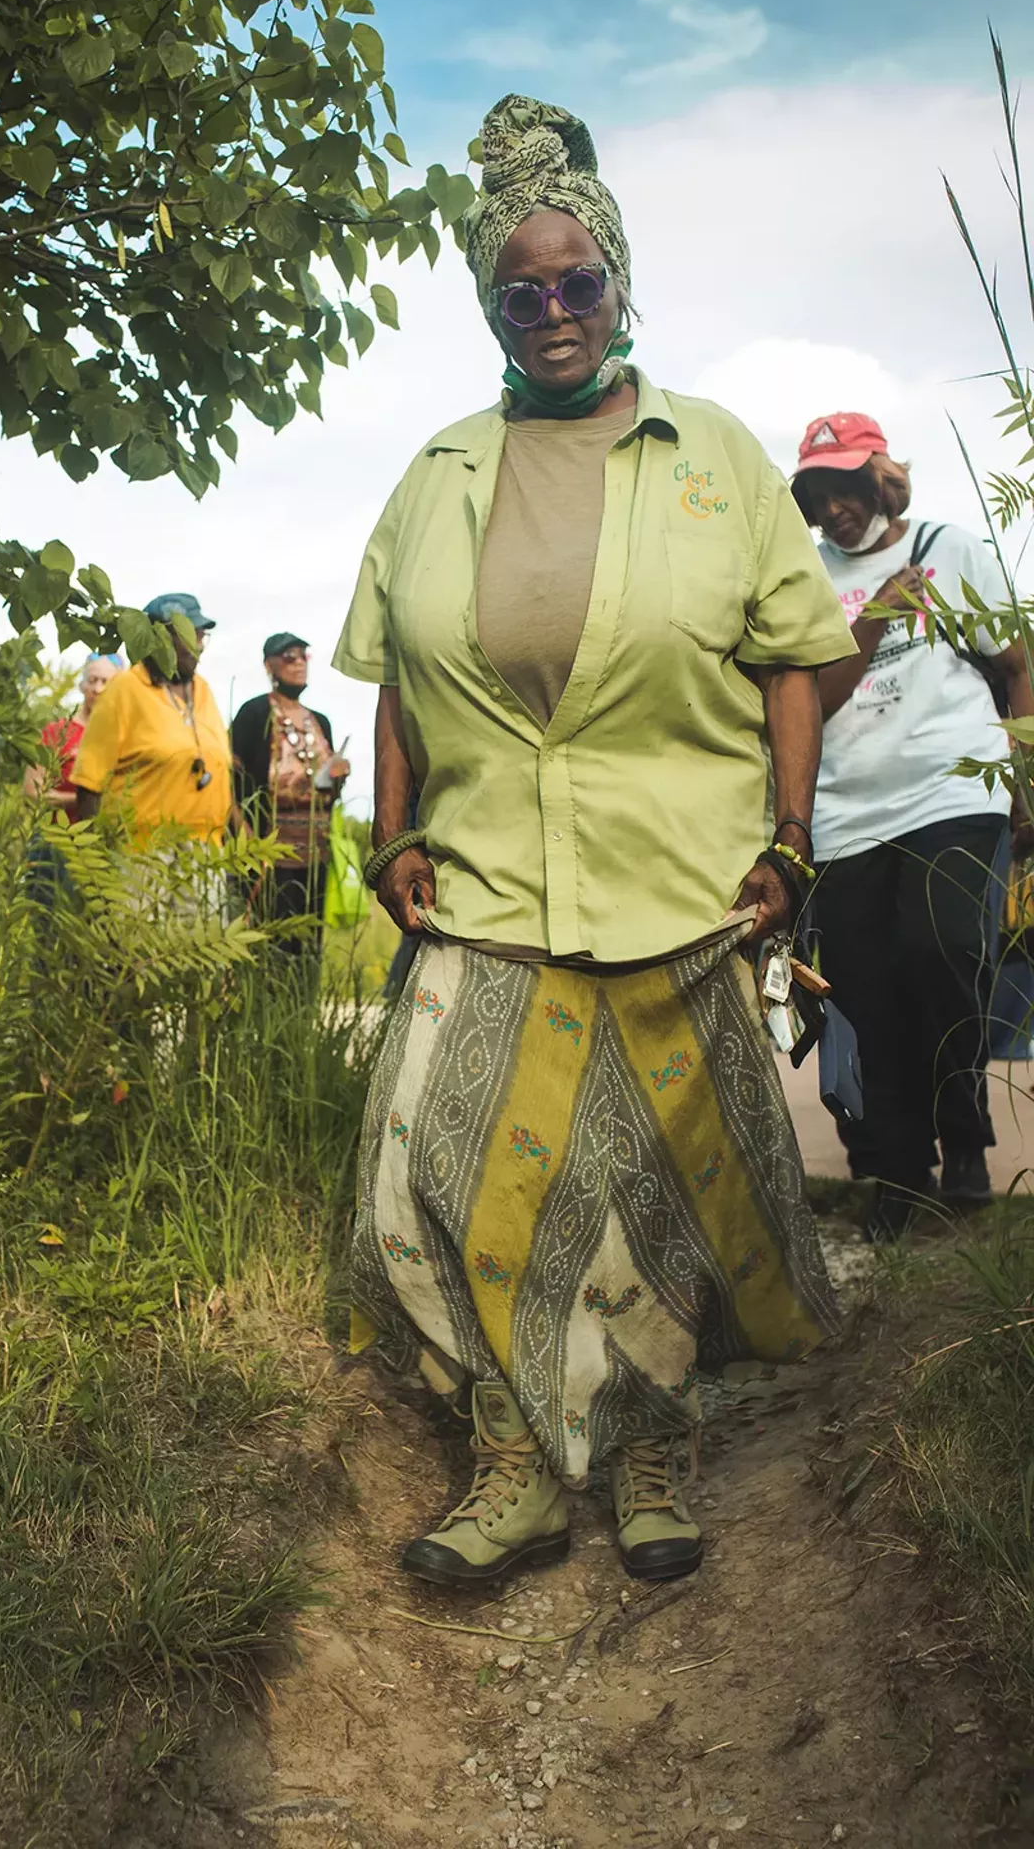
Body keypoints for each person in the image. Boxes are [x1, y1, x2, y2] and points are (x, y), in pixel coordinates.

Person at [333, 94, 856, 1589]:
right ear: (493, 308)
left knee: (661, 1185)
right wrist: (391, 835)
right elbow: (395, 677)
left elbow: (793, 665)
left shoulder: (720, 457)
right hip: (490, 876)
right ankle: (512, 1455)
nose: (554, 310)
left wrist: (792, 838)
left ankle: (651, 1451)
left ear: (619, 286)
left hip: (679, 880)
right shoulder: (438, 472)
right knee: (433, 1166)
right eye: (523, 289)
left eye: (580, 284)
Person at [790, 413, 1034, 1239]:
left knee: (943, 951)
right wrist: (876, 618)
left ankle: (964, 1131)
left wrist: (1023, 785)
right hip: (846, 811)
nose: (835, 508)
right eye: (818, 495)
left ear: (878, 480)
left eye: (847, 486)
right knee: (866, 991)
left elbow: (1015, 667)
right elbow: (811, 705)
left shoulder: (948, 546)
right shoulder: (805, 579)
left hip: (952, 790)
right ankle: (902, 1172)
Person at [71, 593, 239, 854]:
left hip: (206, 851)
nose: (199, 646)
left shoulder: (202, 690)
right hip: (141, 854)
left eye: (201, 636)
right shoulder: (124, 690)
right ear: (159, 639)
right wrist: (93, 866)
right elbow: (89, 785)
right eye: (189, 635)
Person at [230, 632, 351, 950]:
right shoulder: (254, 714)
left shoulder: (319, 722)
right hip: (269, 853)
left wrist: (337, 778)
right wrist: (248, 844)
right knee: (267, 940)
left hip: (315, 855)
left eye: (303, 656)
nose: (298, 663)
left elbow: (328, 795)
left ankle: (304, 1000)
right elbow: (232, 783)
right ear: (269, 665)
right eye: (289, 657)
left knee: (309, 943)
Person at [23, 655, 122, 817]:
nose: (97, 689)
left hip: (106, 836)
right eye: (92, 680)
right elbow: (31, 792)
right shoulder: (56, 733)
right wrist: (83, 800)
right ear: (81, 685)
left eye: (106, 682)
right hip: (56, 835)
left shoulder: (124, 736)